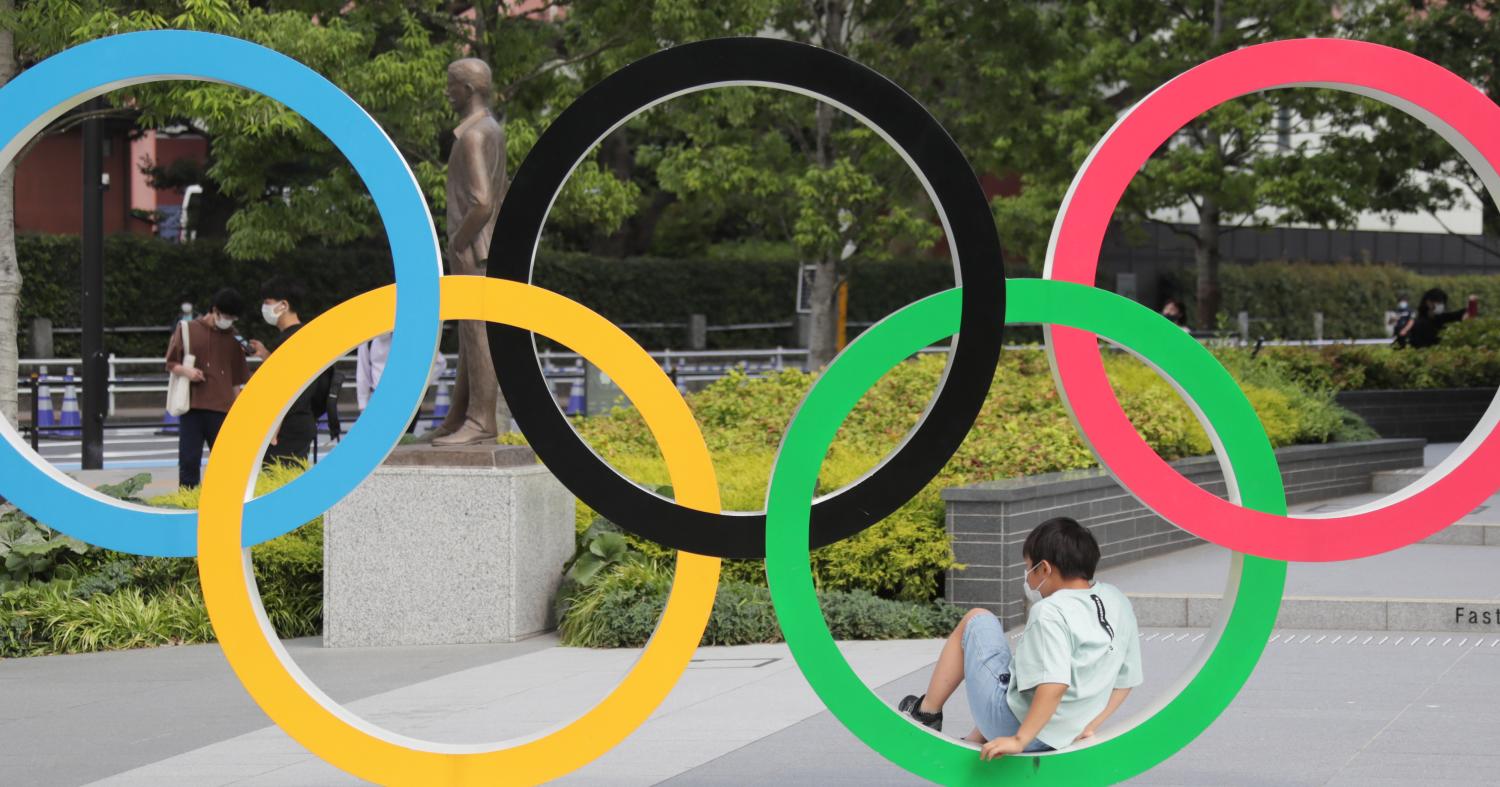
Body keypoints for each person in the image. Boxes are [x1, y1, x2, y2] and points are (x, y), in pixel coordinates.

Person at [898, 517, 1142, 759]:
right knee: (1020, 665)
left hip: (1019, 727)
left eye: (1029, 568)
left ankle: (926, 713)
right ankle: (973, 739)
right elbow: (1126, 679)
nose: (1027, 577)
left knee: (976, 620)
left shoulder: (1050, 611)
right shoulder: (1116, 600)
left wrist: (1019, 740)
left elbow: (1054, 684)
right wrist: (1090, 725)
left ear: (1044, 568)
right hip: (1068, 729)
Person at [165, 288, 251, 488]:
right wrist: (188, 372)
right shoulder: (186, 329)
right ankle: (187, 506)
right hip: (192, 407)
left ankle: (223, 505)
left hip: (223, 408)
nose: (229, 321)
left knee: (225, 465)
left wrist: (239, 412)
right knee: (188, 461)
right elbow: (171, 363)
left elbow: (237, 379)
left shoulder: (233, 338)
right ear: (215, 310)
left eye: (233, 318)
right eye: (226, 316)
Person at [248, 276, 336, 468]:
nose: (264, 308)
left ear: (283, 305)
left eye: (267, 303)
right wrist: (265, 354)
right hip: (302, 422)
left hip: (284, 429)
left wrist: (273, 429)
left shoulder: (288, 342)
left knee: (275, 482)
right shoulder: (306, 336)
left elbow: (282, 389)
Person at [355, 332, 447, 432]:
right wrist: (363, 407)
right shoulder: (369, 338)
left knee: (401, 442)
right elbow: (362, 373)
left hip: (407, 402)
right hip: (380, 403)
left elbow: (439, 362)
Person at [1399, 288, 1477, 349]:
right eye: (1439, 302)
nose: (1441, 305)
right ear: (1428, 303)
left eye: (1442, 303)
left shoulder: (1442, 318)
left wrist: (1472, 303)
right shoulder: (1419, 323)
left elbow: (1462, 315)